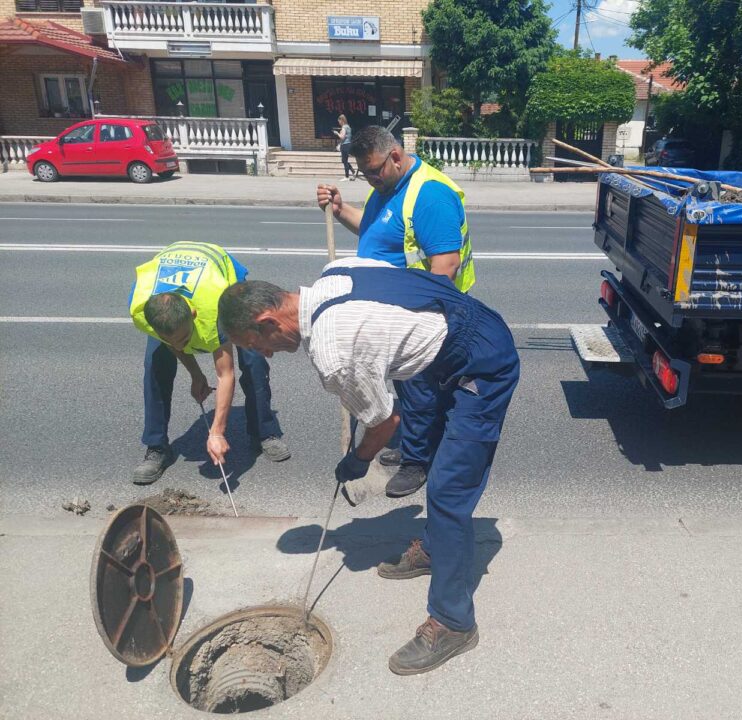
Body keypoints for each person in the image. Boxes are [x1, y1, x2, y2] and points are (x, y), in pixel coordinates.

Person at [217, 258, 519, 675]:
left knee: (448, 491)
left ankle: (453, 623)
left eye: (255, 345)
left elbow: (385, 424)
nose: (263, 354)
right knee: (431, 456)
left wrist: (356, 461)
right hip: (446, 346)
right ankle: (436, 549)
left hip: (482, 362)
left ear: (267, 320)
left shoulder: (333, 353)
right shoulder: (335, 271)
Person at [316, 125, 476, 499]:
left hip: (422, 313)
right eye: (364, 173)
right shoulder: (388, 188)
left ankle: (417, 460)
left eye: (374, 170)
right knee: (409, 385)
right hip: (399, 308)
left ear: (396, 156)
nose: (370, 179)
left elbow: (446, 266)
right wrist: (340, 210)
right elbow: (377, 234)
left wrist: (419, 320)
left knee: (418, 387)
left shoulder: (430, 196)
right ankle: (413, 443)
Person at [128, 241, 290, 484]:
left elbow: (225, 374)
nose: (181, 347)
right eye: (175, 341)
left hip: (223, 279)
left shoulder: (214, 306)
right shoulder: (143, 307)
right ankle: (157, 446)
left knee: (253, 356)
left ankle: (263, 432)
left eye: (185, 338)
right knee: (155, 363)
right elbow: (174, 341)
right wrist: (195, 374)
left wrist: (216, 432)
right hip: (172, 269)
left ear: (193, 315)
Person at [334, 114, 354, 181]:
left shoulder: (344, 127)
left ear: (342, 120)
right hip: (348, 144)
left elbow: (342, 137)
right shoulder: (348, 127)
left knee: (344, 161)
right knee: (344, 160)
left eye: (339, 121)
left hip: (344, 145)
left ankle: (347, 176)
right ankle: (351, 169)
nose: (339, 123)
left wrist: (337, 133)